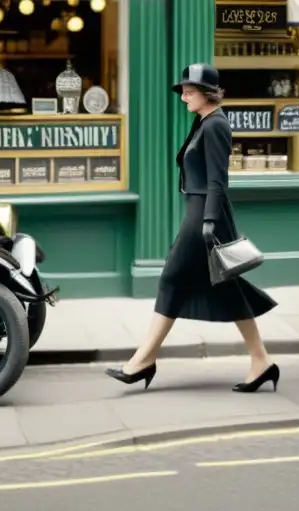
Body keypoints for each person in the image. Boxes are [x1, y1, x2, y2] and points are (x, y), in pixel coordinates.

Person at [106, 63, 280, 392]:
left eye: (190, 90)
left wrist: (210, 221)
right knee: (225, 285)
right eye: (183, 91)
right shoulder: (202, 121)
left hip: (204, 213)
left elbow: (218, 180)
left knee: (172, 277)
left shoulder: (215, 125)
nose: (184, 95)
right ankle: (261, 362)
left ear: (207, 93)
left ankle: (143, 360)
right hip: (197, 209)